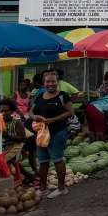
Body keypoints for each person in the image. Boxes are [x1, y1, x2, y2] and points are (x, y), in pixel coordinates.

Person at [31, 70, 73, 199]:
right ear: (44, 83)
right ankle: (43, 188)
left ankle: (61, 188)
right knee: (43, 161)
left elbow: (70, 112)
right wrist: (35, 116)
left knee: (57, 160)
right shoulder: (39, 96)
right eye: (48, 81)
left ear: (57, 82)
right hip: (41, 134)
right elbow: (31, 111)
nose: (51, 84)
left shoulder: (63, 96)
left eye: (53, 81)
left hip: (58, 132)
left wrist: (52, 120)